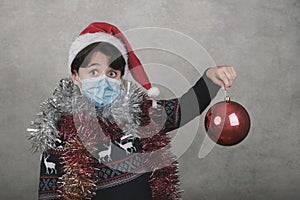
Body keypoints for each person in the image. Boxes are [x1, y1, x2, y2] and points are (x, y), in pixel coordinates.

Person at [27, 22, 236, 200]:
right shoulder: (60, 129)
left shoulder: (139, 113)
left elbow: (183, 108)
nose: (103, 80)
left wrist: (210, 79)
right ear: (75, 76)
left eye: (112, 73)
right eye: (93, 71)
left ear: (121, 78)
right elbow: (50, 190)